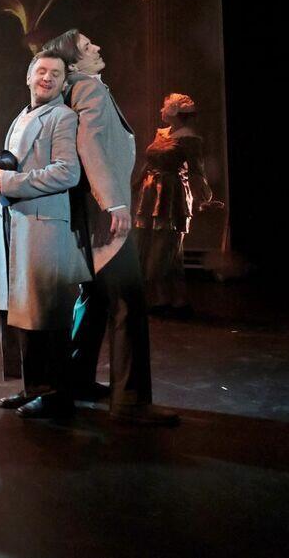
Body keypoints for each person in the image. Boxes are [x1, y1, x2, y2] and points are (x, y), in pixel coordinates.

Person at [42, 29, 180, 426]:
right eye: (87, 47)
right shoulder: (87, 88)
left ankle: (78, 380)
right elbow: (89, 143)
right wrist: (112, 201)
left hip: (89, 213)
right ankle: (131, 401)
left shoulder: (73, 89)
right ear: (74, 62)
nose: (97, 47)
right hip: (104, 214)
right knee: (127, 303)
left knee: (95, 297)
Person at [0, 51, 89, 419]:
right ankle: (34, 388)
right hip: (17, 221)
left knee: (44, 314)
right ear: (28, 77)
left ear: (63, 82)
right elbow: (22, 161)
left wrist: (12, 182)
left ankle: (56, 396)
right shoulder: (22, 116)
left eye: (55, 74)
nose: (47, 78)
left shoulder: (62, 116)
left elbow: (67, 172)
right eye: (41, 71)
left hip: (43, 225)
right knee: (19, 311)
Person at [135, 93, 221, 318]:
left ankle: (170, 300)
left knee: (163, 251)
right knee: (171, 255)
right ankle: (172, 301)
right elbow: (149, 163)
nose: (162, 111)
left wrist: (203, 199)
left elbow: (196, 171)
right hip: (152, 194)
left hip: (171, 195)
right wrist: (133, 186)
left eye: (166, 108)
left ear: (174, 113)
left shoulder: (189, 138)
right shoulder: (162, 133)